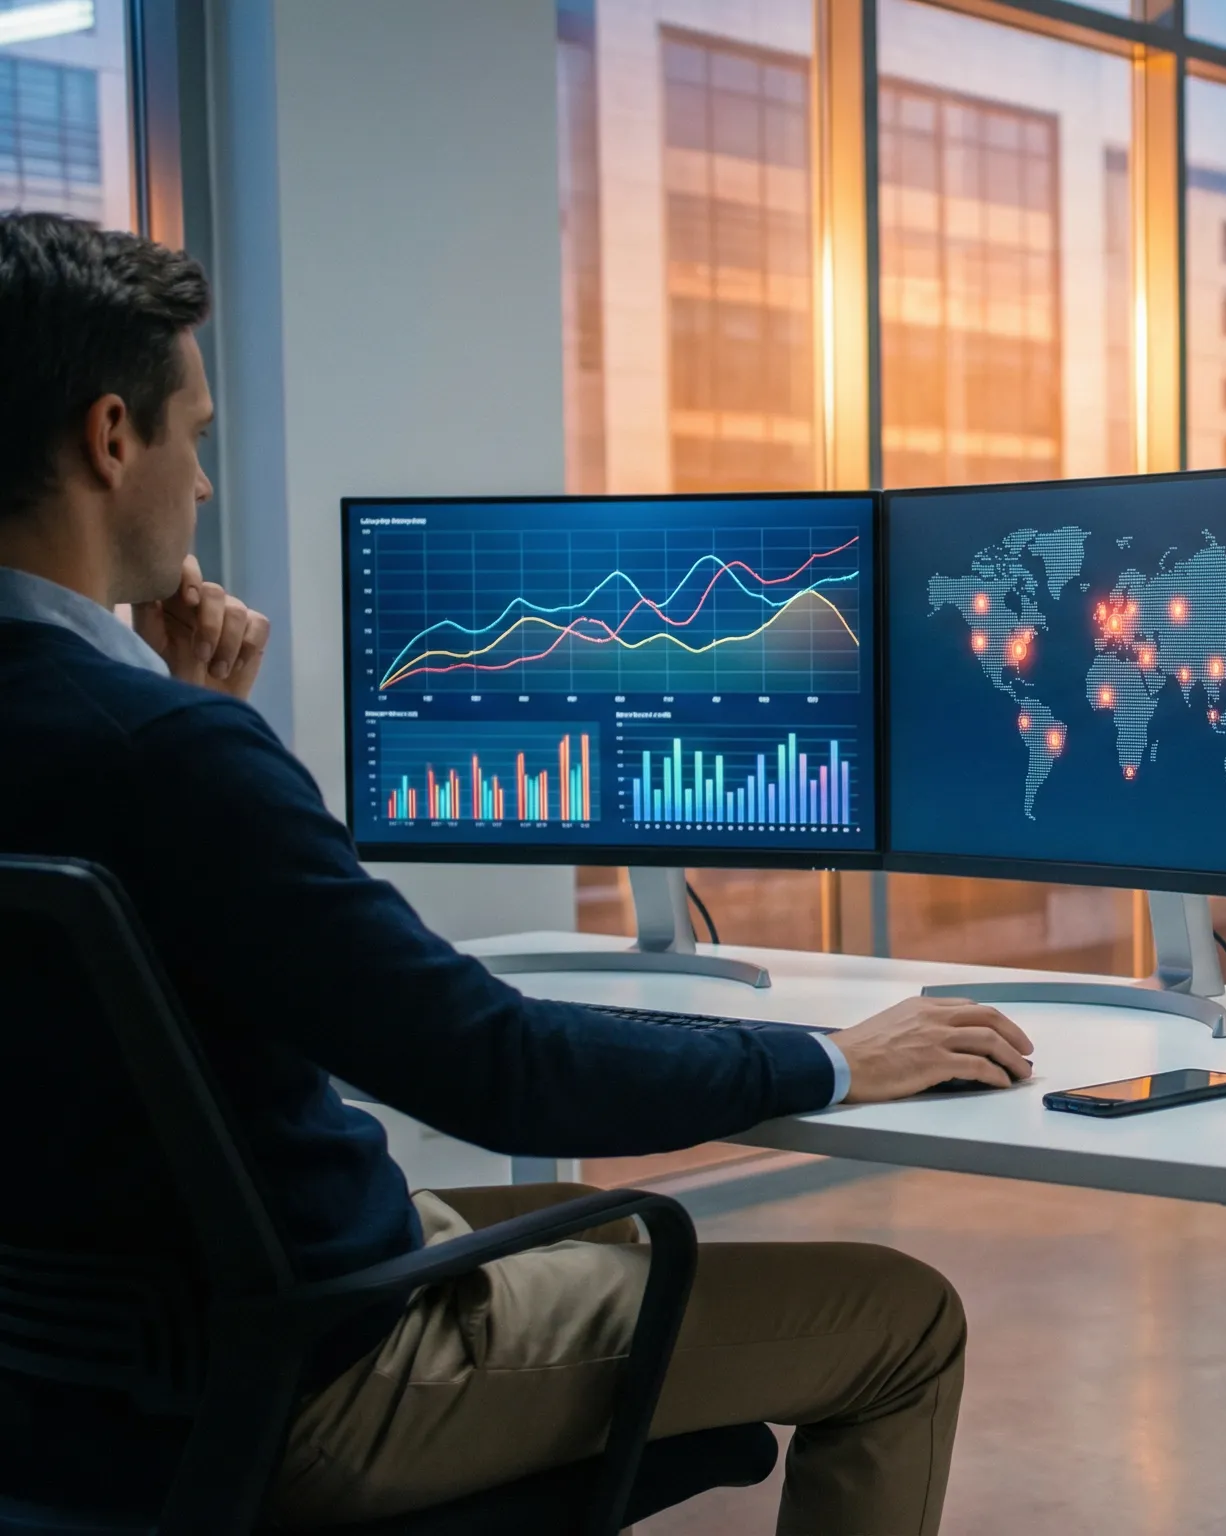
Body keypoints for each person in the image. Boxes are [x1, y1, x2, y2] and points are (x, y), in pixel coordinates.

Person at [0, 212, 1029, 1532]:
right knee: (900, 1317)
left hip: (67, 1380)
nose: (202, 486)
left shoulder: (129, 740)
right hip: (309, 1375)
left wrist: (175, 704)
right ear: (108, 437)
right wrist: (834, 1058)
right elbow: (490, 1067)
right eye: (194, 435)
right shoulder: (171, 760)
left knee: (586, 1224)